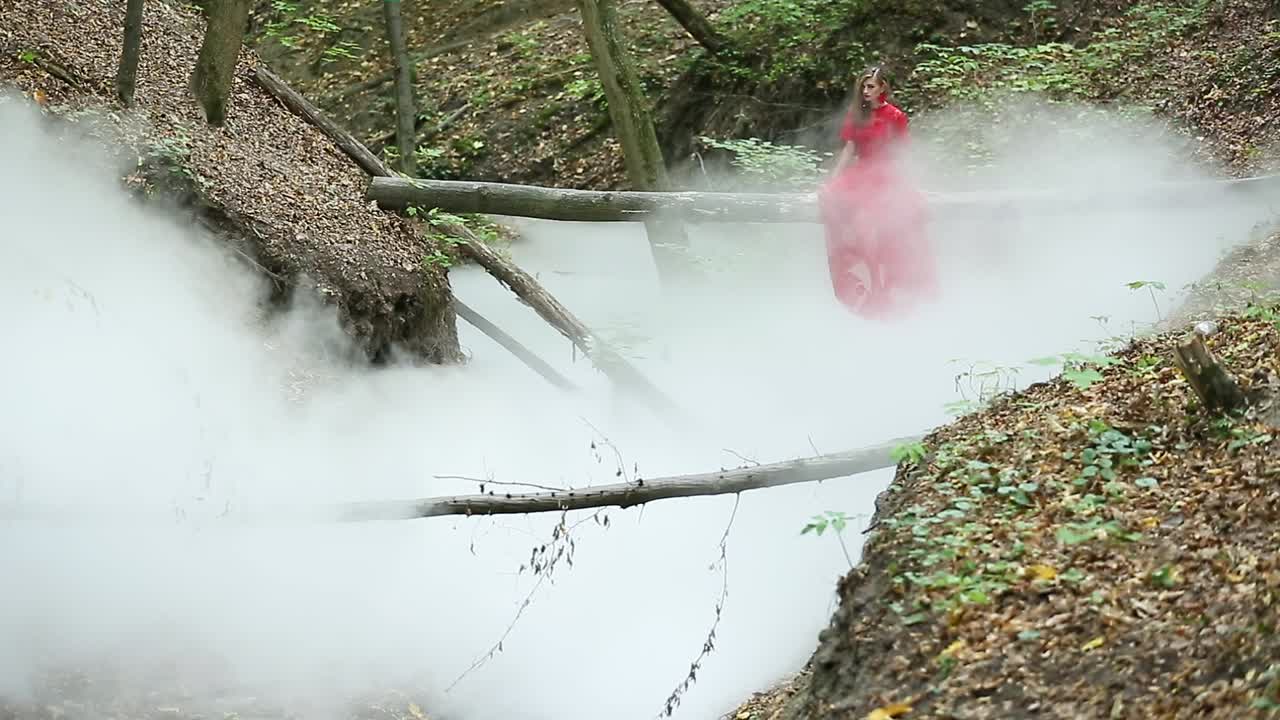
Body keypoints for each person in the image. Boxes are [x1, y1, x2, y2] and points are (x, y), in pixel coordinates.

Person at [818, 65, 936, 318]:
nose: (865, 90)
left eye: (870, 86)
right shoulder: (856, 115)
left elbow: (902, 153)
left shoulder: (895, 116)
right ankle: (866, 289)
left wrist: (912, 183)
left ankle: (893, 287)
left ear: (883, 87)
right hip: (861, 174)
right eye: (863, 86)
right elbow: (849, 150)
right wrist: (833, 180)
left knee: (888, 223)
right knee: (855, 222)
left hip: (886, 174)